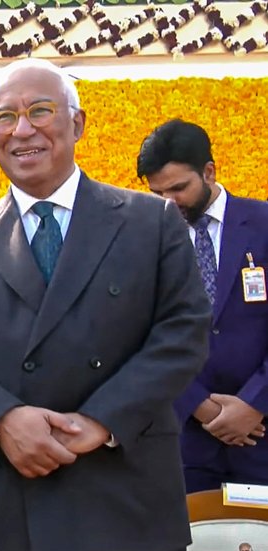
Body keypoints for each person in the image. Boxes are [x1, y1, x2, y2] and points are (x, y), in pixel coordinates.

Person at [0, 58, 212, 551]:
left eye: (40, 110)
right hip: (7, 495)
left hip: (124, 490)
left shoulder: (150, 222)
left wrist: (101, 421)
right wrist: (2, 419)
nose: (22, 129)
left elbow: (183, 334)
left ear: (77, 123)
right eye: (5, 117)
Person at [138, 119, 268, 493]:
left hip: (261, 435)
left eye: (179, 188)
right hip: (185, 443)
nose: (169, 203)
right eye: (158, 192)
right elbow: (143, 334)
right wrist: (199, 405)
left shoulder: (262, 225)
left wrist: (253, 404)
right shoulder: (146, 241)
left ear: (209, 171)